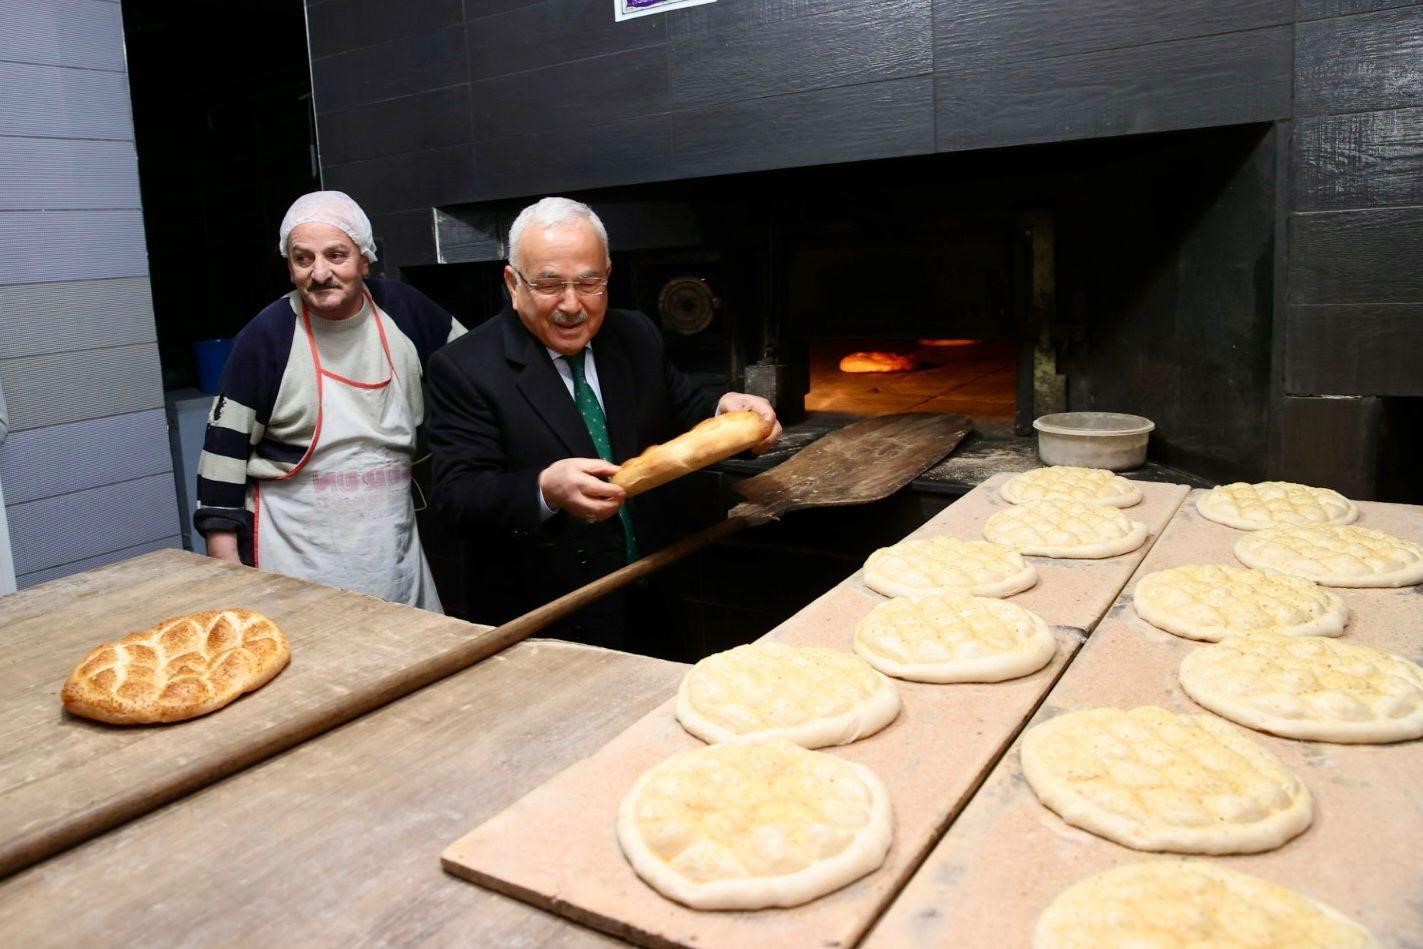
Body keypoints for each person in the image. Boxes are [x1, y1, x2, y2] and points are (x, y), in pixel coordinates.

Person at [426, 196, 780, 652]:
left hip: (652, 590)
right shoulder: (463, 367)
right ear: (513, 283)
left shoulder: (635, 334)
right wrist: (544, 489)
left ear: (607, 275)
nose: (572, 305)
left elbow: (687, 408)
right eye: (549, 284)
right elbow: (456, 496)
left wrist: (728, 409)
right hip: (552, 616)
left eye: (588, 282)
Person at [194, 191, 465, 611]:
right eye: (304, 259)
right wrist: (229, 575)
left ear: (364, 259)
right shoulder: (267, 338)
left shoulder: (405, 311)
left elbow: (473, 370)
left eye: (336, 255)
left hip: (391, 548)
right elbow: (221, 460)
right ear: (290, 266)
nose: (320, 273)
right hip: (294, 558)